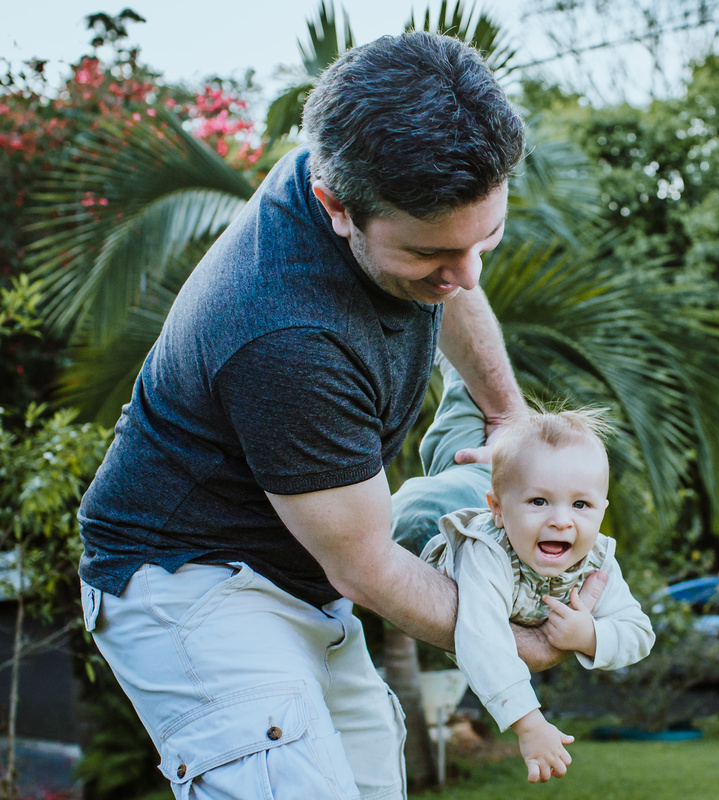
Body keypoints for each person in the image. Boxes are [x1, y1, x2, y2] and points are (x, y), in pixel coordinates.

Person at [77, 32, 601, 800]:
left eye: (483, 238)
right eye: (431, 256)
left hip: (300, 580)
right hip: (190, 583)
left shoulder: (360, 172)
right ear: (336, 208)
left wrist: (507, 417)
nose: (465, 275)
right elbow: (366, 565)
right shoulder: (284, 336)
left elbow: (455, 275)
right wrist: (512, 641)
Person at [405, 365, 654, 783]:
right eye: (541, 501)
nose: (561, 521)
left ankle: (458, 370)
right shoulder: (489, 555)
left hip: (492, 494)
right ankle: (454, 364)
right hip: (422, 520)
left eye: (581, 505)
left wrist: (588, 635)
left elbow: (639, 632)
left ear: (601, 511)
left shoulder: (596, 559)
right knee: (454, 454)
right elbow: (482, 638)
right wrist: (528, 722)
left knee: (464, 453)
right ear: (498, 510)